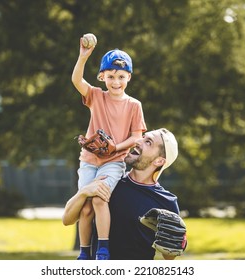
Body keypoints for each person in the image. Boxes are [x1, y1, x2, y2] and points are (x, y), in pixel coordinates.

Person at [70, 35, 147, 260]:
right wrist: (83, 57)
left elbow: (136, 138)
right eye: (111, 76)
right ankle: (84, 251)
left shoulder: (134, 105)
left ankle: (103, 248)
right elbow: (77, 80)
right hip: (89, 160)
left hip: (114, 162)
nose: (116, 82)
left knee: (99, 199)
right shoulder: (96, 96)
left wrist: (114, 148)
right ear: (102, 76)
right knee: (84, 207)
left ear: (129, 77)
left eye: (121, 76)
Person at [62, 128, 182, 260]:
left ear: (159, 161)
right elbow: (67, 220)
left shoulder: (166, 202)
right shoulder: (110, 182)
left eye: (148, 142)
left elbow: (169, 256)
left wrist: (175, 244)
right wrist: (84, 192)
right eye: (142, 137)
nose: (137, 141)